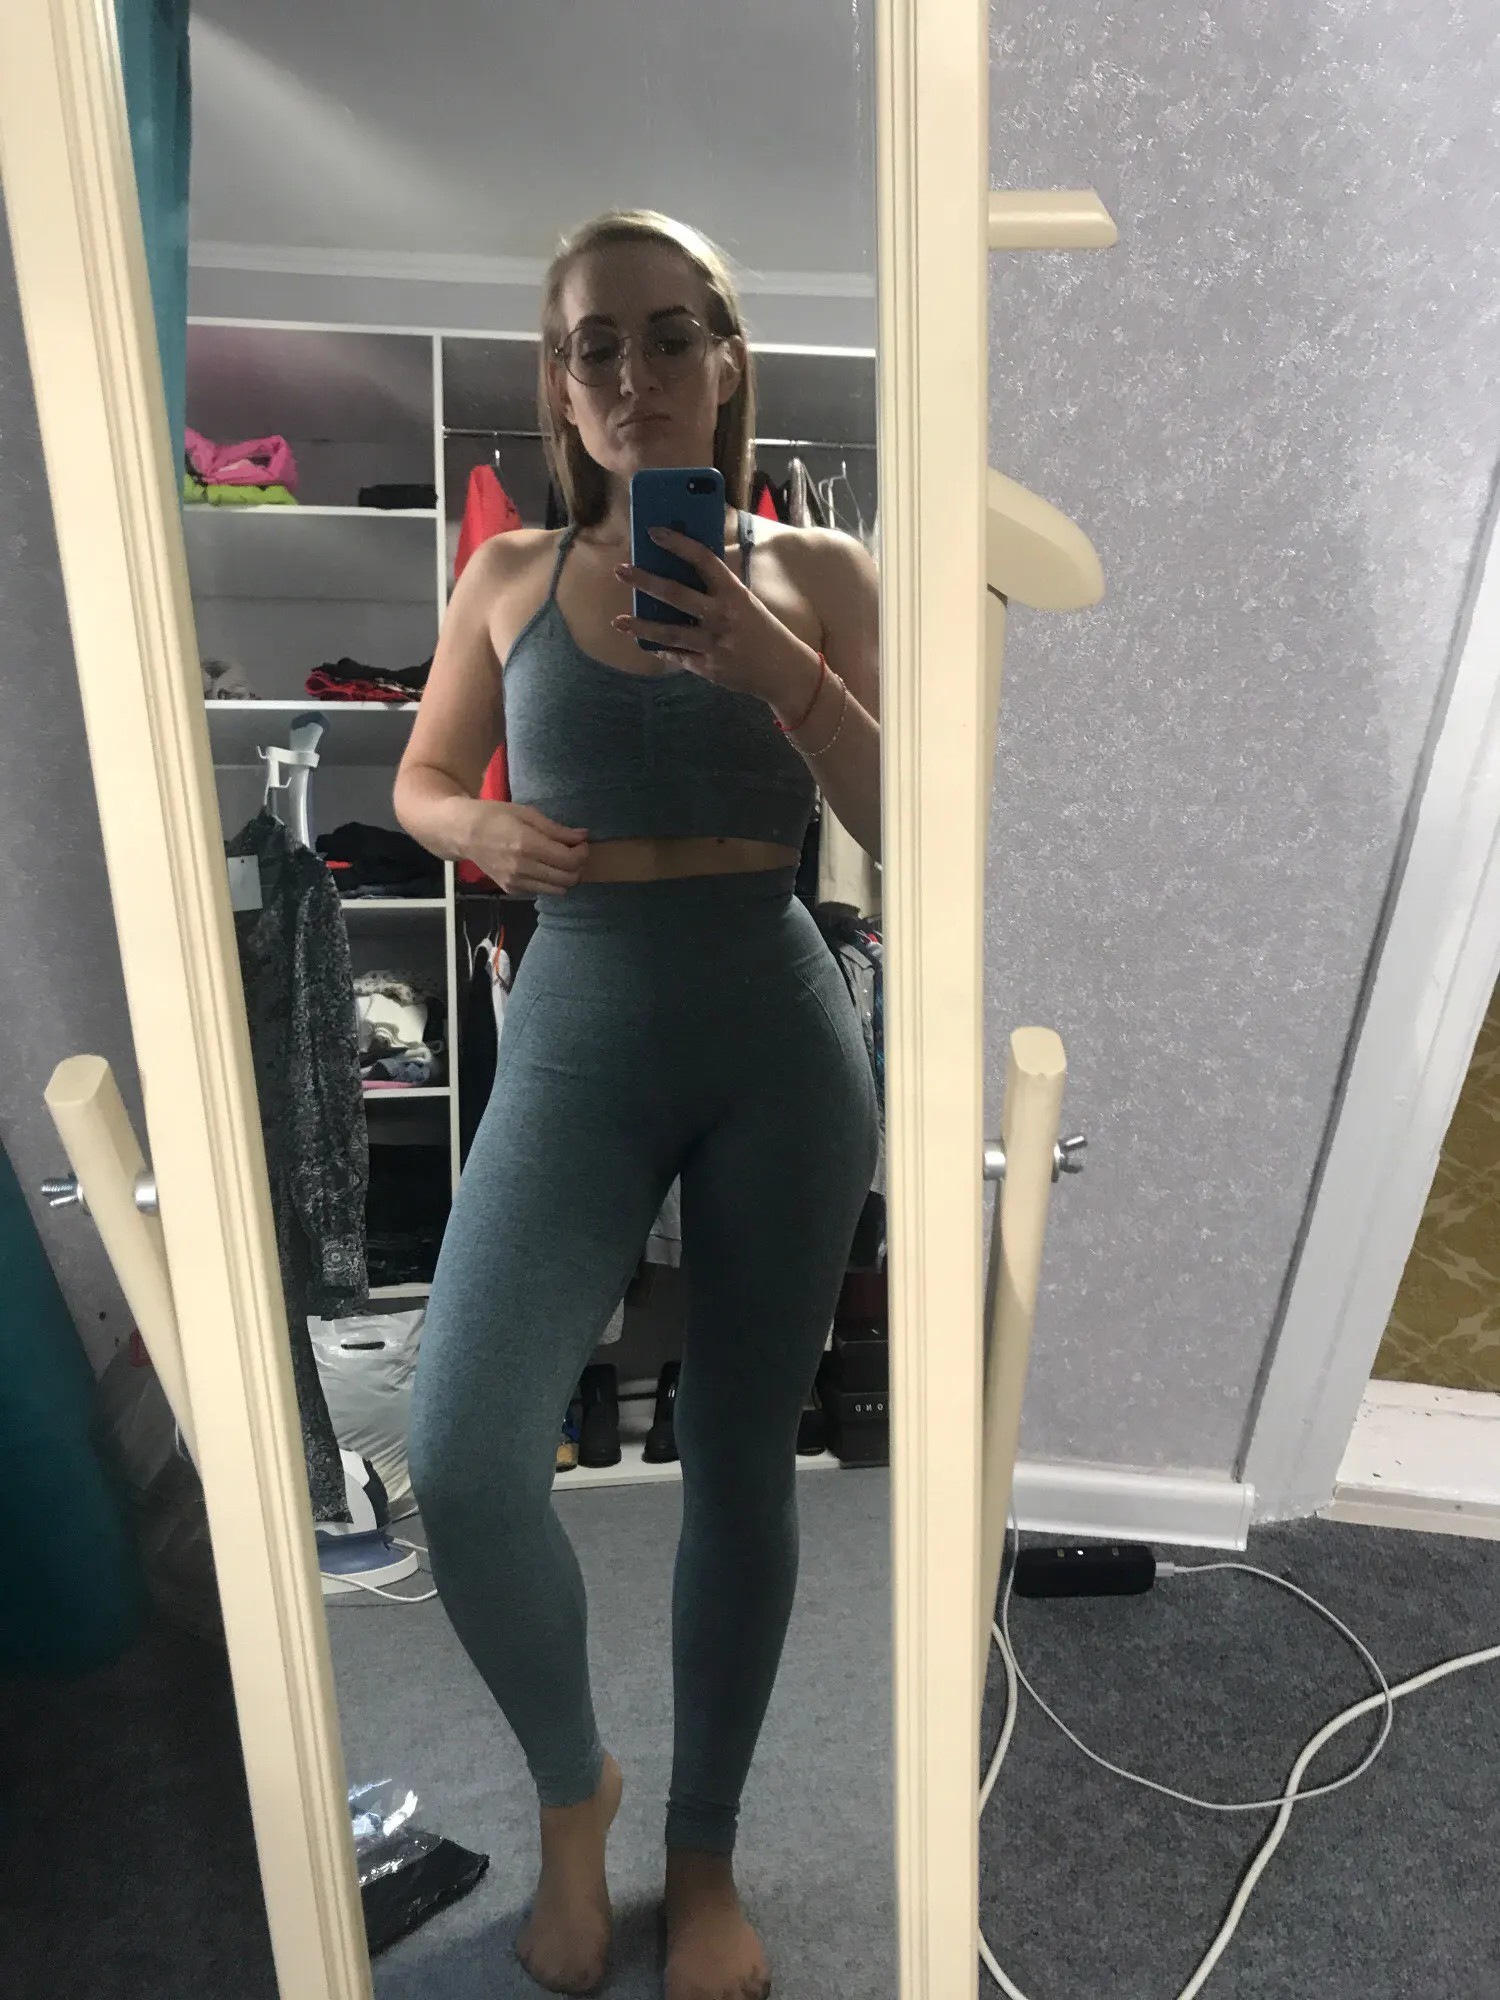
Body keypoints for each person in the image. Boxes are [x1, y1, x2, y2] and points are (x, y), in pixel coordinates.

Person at [398, 209, 881, 2000]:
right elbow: (420, 773)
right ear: (558, 378)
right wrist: (479, 828)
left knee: (743, 1460)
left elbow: (921, 822)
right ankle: (574, 1795)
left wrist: (781, 669)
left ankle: (705, 1853)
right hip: (579, 1020)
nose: (631, 373)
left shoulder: (821, 569)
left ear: (729, 357)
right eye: (592, 344)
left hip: (775, 1023)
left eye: (670, 335)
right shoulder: (509, 574)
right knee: (464, 1457)